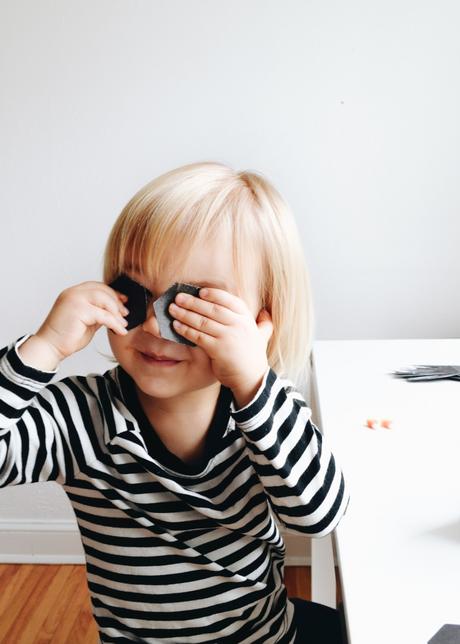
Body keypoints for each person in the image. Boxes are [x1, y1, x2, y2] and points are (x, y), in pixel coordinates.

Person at [0, 161, 349, 643]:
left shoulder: (268, 411)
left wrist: (252, 378)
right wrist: (43, 348)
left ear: (260, 321)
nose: (153, 328)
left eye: (192, 307)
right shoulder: (80, 417)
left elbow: (319, 513)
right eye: (135, 294)